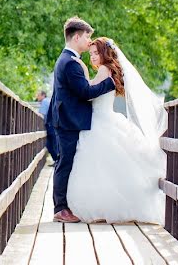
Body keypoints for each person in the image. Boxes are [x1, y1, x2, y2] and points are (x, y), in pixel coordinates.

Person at [66, 36, 167, 224]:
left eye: (96, 53)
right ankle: (106, 207)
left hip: (100, 120)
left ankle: (101, 207)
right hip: (102, 118)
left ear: (105, 54)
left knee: (98, 164)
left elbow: (88, 94)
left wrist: (82, 77)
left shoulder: (104, 70)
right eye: (91, 54)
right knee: (106, 165)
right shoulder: (108, 71)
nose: (93, 57)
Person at [49, 17, 116, 224]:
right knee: (65, 163)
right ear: (76, 36)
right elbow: (85, 92)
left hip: (68, 119)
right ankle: (60, 209)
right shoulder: (70, 63)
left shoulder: (69, 60)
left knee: (67, 163)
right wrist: (110, 84)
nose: (89, 40)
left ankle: (66, 205)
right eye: (87, 36)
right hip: (69, 121)